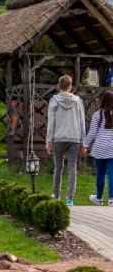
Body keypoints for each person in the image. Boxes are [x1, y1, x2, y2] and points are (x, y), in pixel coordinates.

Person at [46, 75, 86, 206]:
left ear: (59, 86)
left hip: (59, 138)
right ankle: (70, 198)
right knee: (72, 167)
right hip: (74, 137)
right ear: (70, 87)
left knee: (58, 168)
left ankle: (56, 195)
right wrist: (82, 142)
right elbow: (82, 122)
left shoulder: (54, 100)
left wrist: (48, 142)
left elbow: (51, 122)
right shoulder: (78, 101)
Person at [86, 91, 113, 206]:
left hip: (100, 147)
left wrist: (85, 145)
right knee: (112, 173)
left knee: (100, 173)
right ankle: (112, 199)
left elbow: (92, 133)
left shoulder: (97, 114)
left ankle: (98, 198)